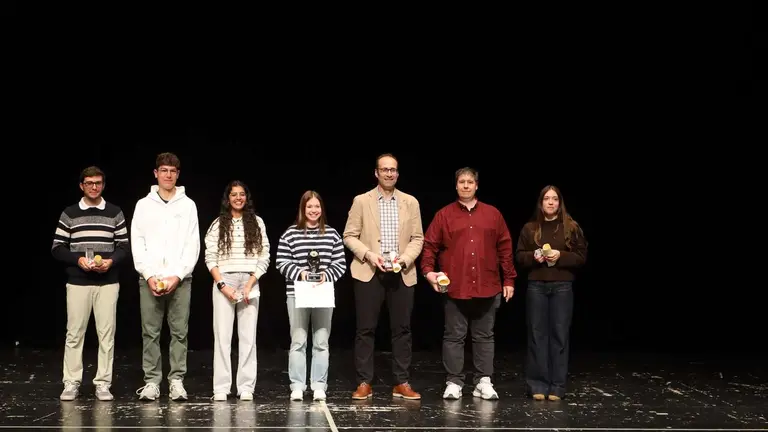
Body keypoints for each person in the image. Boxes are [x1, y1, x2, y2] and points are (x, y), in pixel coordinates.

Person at [420, 167, 516, 400]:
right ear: (456, 186)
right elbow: (430, 245)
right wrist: (428, 272)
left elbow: (504, 247)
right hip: (455, 286)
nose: (465, 185)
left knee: (484, 336)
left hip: (488, 284)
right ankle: (454, 381)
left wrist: (509, 279)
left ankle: (483, 381)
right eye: (461, 182)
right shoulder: (444, 215)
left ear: (476, 185)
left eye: (469, 182)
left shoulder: (493, 214)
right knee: (454, 335)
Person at [343, 153, 424, 400]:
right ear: (376, 173)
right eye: (384, 169)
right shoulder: (361, 201)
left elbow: (417, 238)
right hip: (370, 271)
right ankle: (364, 382)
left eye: (393, 170)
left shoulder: (410, 202)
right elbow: (349, 235)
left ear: (398, 173)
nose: (389, 173)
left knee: (402, 329)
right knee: (365, 329)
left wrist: (405, 259)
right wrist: (369, 255)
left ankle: (401, 381)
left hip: (402, 272)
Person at [52, 166, 130, 401]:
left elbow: (124, 247)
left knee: (107, 335)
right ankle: (72, 382)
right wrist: (78, 260)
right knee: (74, 334)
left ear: (103, 185)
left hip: (107, 282)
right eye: (89, 183)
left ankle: (103, 383)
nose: (94, 187)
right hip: (78, 282)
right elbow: (57, 248)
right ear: (81, 186)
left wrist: (110, 261)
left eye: (98, 183)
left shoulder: (115, 212)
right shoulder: (70, 213)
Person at [131, 152, 200, 401]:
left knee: (179, 332)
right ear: (156, 173)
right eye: (164, 170)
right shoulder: (143, 204)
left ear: (178, 174)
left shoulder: (188, 205)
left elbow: (193, 245)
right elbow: (137, 243)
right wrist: (149, 275)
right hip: (149, 279)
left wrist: (178, 276)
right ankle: (151, 381)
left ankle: (176, 380)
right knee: (150, 332)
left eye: (172, 171)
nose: (168, 175)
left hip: (180, 280)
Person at [515, 185, 588, 401]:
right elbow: (519, 256)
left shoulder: (570, 227)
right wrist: (534, 257)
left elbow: (581, 256)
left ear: (560, 202)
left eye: (554, 199)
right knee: (537, 335)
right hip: (537, 286)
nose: (550, 202)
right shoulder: (530, 228)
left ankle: (557, 386)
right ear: (541, 202)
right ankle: (537, 384)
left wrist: (561, 256)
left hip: (562, 287)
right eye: (546, 198)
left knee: (559, 336)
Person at [276, 190, 346, 402]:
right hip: (297, 293)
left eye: (317, 207)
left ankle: (318, 385)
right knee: (298, 340)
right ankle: (297, 385)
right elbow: (281, 262)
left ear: (321, 209)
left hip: (323, 293)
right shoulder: (291, 234)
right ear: (303, 209)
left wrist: (326, 274)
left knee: (321, 341)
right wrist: (301, 273)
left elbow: (340, 264)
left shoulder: (332, 234)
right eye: (309, 207)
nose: (313, 210)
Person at [204, 180, 270, 401]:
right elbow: (210, 258)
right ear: (228, 198)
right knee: (222, 337)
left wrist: (250, 283)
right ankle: (221, 388)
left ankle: (246, 387)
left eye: (242, 194)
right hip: (225, 281)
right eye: (234, 195)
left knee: (248, 338)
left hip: (249, 280)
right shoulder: (217, 224)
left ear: (246, 198)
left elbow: (264, 256)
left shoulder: (257, 223)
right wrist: (223, 286)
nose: (238, 198)